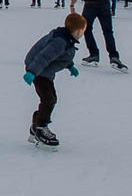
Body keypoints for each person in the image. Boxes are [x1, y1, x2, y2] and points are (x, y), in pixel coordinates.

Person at [23, 13, 86, 150]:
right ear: (77, 31)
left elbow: (62, 56)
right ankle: (40, 127)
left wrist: (70, 66)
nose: (82, 34)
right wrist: (32, 72)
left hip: (44, 72)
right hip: (39, 72)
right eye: (83, 31)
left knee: (50, 99)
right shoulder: (60, 42)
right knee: (49, 99)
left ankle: (36, 126)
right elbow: (43, 57)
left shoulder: (66, 39)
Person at [70, 0, 128, 72]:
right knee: (107, 31)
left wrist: (72, 3)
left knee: (86, 28)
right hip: (104, 4)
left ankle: (94, 54)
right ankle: (114, 56)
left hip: (90, 4)